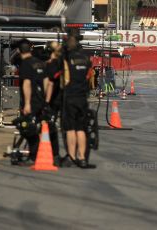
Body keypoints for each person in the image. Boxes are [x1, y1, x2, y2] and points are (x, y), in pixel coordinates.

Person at [61, 31, 94, 168]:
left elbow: (62, 78)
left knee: (70, 129)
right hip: (82, 98)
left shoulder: (67, 58)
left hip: (70, 97)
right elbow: (91, 77)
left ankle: (72, 156)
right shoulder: (86, 59)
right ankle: (82, 158)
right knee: (81, 128)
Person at [17, 39, 46, 162]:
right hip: (41, 100)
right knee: (37, 126)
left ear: (19, 51)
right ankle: (36, 152)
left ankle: (34, 154)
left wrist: (27, 104)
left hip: (31, 101)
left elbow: (27, 84)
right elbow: (46, 82)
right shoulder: (39, 63)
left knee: (28, 127)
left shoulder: (25, 64)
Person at [44, 41, 63, 166]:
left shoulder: (50, 65)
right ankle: (54, 153)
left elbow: (49, 84)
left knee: (48, 126)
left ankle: (53, 153)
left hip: (52, 101)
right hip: (62, 99)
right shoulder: (63, 65)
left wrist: (45, 101)